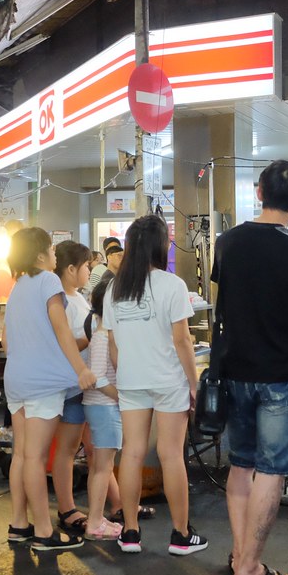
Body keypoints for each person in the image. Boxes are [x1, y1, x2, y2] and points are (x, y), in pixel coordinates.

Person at [213, 160, 288, 575]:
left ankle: (240, 556)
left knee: (241, 465)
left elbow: (228, 298)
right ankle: (249, 567)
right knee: (271, 470)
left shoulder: (226, 242)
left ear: (259, 191)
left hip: (235, 371)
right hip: (280, 372)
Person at [105, 215, 207, 557]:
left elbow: (114, 345)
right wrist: (194, 385)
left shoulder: (115, 288)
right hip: (168, 381)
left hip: (132, 381)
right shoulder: (171, 285)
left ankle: (130, 533)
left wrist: (130, 372)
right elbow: (182, 341)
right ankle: (180, 535)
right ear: (161, 245)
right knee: (170, 455)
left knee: (131, 453)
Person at [4, 227, 96, 551]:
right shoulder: (48, 281)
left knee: (21, 455)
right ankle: (45, 531)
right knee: (35, 457)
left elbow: (6, 339)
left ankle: (19, 524)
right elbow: (61, 329)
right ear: (42, 253)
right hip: (42, 382)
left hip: (16, 380)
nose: (55, 255)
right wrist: (81, 369)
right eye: (52, 249)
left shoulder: (18, 287)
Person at [51, 241, 93, 537]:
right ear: (70, 269)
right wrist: (91, 339)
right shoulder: (60, 301)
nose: (90, 271)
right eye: (87, 266)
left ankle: (115, 505)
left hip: (87, 384)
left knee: (96, 449)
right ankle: (66, 509)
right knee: (67, 450)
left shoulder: (77, 296)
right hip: (71, 385)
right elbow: (62, 345)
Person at [81, 279, 124, 540]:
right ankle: (95, 522)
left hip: (103, 408)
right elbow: (97, 376)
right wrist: (121, 398)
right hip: (104, 407)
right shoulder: (101, 337)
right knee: (103, 467)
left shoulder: (104, 334)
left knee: (102, 466)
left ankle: (96, 518)